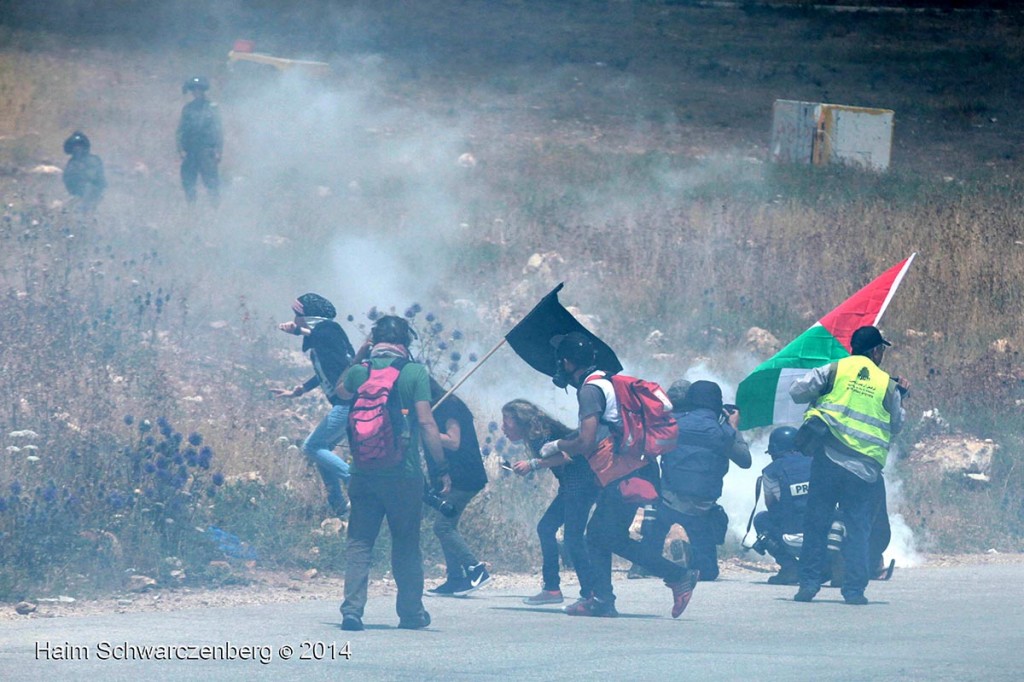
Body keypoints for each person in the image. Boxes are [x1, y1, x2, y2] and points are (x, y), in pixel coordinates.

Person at [543, 332, 697, 618]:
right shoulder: (608, 381)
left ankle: (670, 577)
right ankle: (607, 597)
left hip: (625, 474)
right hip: (638, 468)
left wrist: (558, 445)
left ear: (567, 362)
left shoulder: (589, 390)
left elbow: (587, 441)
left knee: (598, 536)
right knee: (605, 536)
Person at [336, 315, 448, 631]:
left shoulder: (361, 372)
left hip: (363, 473)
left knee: (360, 542)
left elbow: (339, 392)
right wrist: (440, 469)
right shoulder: (414, 373)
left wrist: (359, 356)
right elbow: (426, 424)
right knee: (406, 543)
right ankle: (411, 612)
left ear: (375, 340)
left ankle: (352, 611)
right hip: (404, 475)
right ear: (406, 342)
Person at [789, 325, 908, 606]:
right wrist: (902, 396)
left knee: (816, 524)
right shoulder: (887, 385)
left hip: (828, 459)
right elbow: (896, 425)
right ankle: (854, 591)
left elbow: (797, 391)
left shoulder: (834, 369)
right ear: (876, 351)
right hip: (864, 470)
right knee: (858, 530)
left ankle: (808, 584)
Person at [654, 380, 752, 582]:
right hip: (702, 506)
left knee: (654, 519)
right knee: (709, 572)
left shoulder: (674, 424)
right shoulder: (721, 431)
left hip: (669, 499)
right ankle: (694, 556)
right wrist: (733, 428)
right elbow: (745, 461)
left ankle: (645, 561)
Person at [502, 399, 598, 606]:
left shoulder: (539, 435)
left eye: (507, 422)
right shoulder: (540, 431)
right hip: (575, 486)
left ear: (520, 421)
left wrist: (533, 464)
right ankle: (553, 588)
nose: (503, 428)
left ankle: (589, 592)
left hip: (579, 485)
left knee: (572, 537)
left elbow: (566, 456)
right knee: (547, 528)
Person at [272, 293, 357, 518]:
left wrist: (297, 330)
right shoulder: (326, 334)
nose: (295, 319)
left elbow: (320, 337)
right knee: (323, 451)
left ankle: (355, 482)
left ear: (307, 316)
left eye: (298, 315)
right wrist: (299, 390)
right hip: (345, 402)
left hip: (347, 403)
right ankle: (339, 507)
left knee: (311, 447)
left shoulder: (327, 330)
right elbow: (327, 371)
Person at [424, 380, 490, 596]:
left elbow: (453, 441)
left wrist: (425, 429)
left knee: (443, 527)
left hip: (464, 476)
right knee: (447, 527)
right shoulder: (431, 409)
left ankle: (476, 570)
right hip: (450, 477)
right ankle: (455, 578)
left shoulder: (449, 405)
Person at [752, 426, 812, 585]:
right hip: (821, 536)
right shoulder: (817, 463)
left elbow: (771, 506)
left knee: (761, 519)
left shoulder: (771, 472)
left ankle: (790, 568)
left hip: (790, 536)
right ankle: (836, 566)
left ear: (773, 451)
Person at [176, 76, 223, 205]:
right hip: (191, 151)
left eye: (199, 90)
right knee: (188, 181)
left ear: (203, 91)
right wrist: (180, 149)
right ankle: (191, 206)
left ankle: (215, 207)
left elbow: (218, 130)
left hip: (206, 151)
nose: (196, 92)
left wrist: (219, 150)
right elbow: (180, 130)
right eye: (194, 90)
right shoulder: (188, 108)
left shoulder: (212, 108)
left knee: (211, 181)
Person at [62, 131, 106, 211]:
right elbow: (67, 178)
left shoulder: (93, 160)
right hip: (75, 195)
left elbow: (94, 179)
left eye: (79, 146)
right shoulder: (71, 162)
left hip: (91, 196)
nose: (77, 149)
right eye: (74, 147)